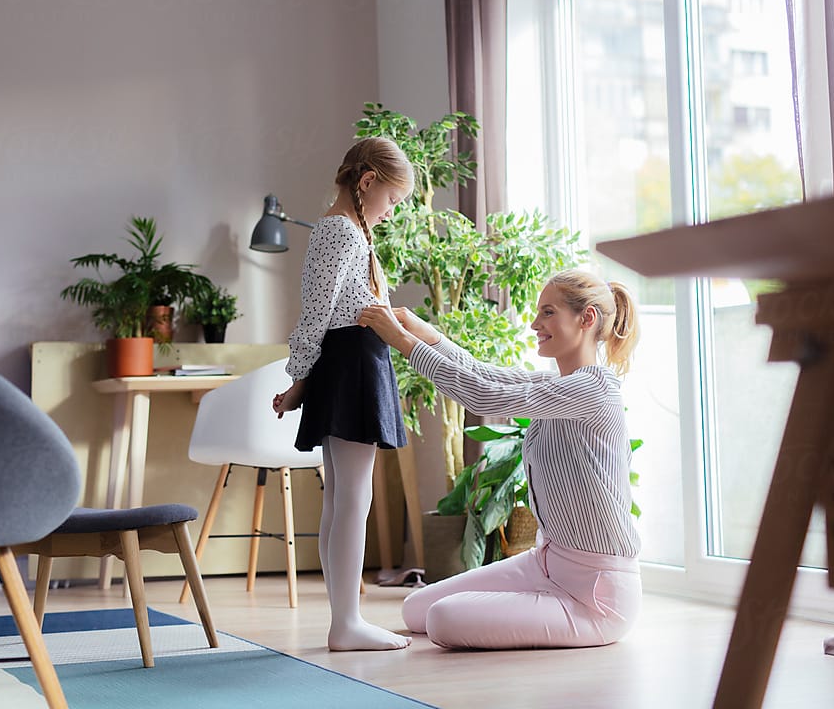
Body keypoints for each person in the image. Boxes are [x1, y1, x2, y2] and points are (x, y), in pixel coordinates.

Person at [357, 270, 643, 650]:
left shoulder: (592, 390)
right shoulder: (555, 386)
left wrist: (403, 342)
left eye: (548, 312)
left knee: (442, 619)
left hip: (595, 595)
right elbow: (482, 375)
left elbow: (483, 398)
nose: (535, 323)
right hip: (546, 564)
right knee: (416, 609)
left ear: (586, 318)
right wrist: (426, 333)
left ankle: (548, 613)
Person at [271, 136, 414, 651]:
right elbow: (316, 313)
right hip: (353, 364)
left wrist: (303, 379)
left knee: (343, 498)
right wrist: (298, 376)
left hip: (347, 362)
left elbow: (325, 311)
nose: (392, 213)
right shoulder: (343, 233)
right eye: (392, 200)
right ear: (368, 182)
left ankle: (344, 619)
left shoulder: (342, 232)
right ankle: (346, 622)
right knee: (354, 498)